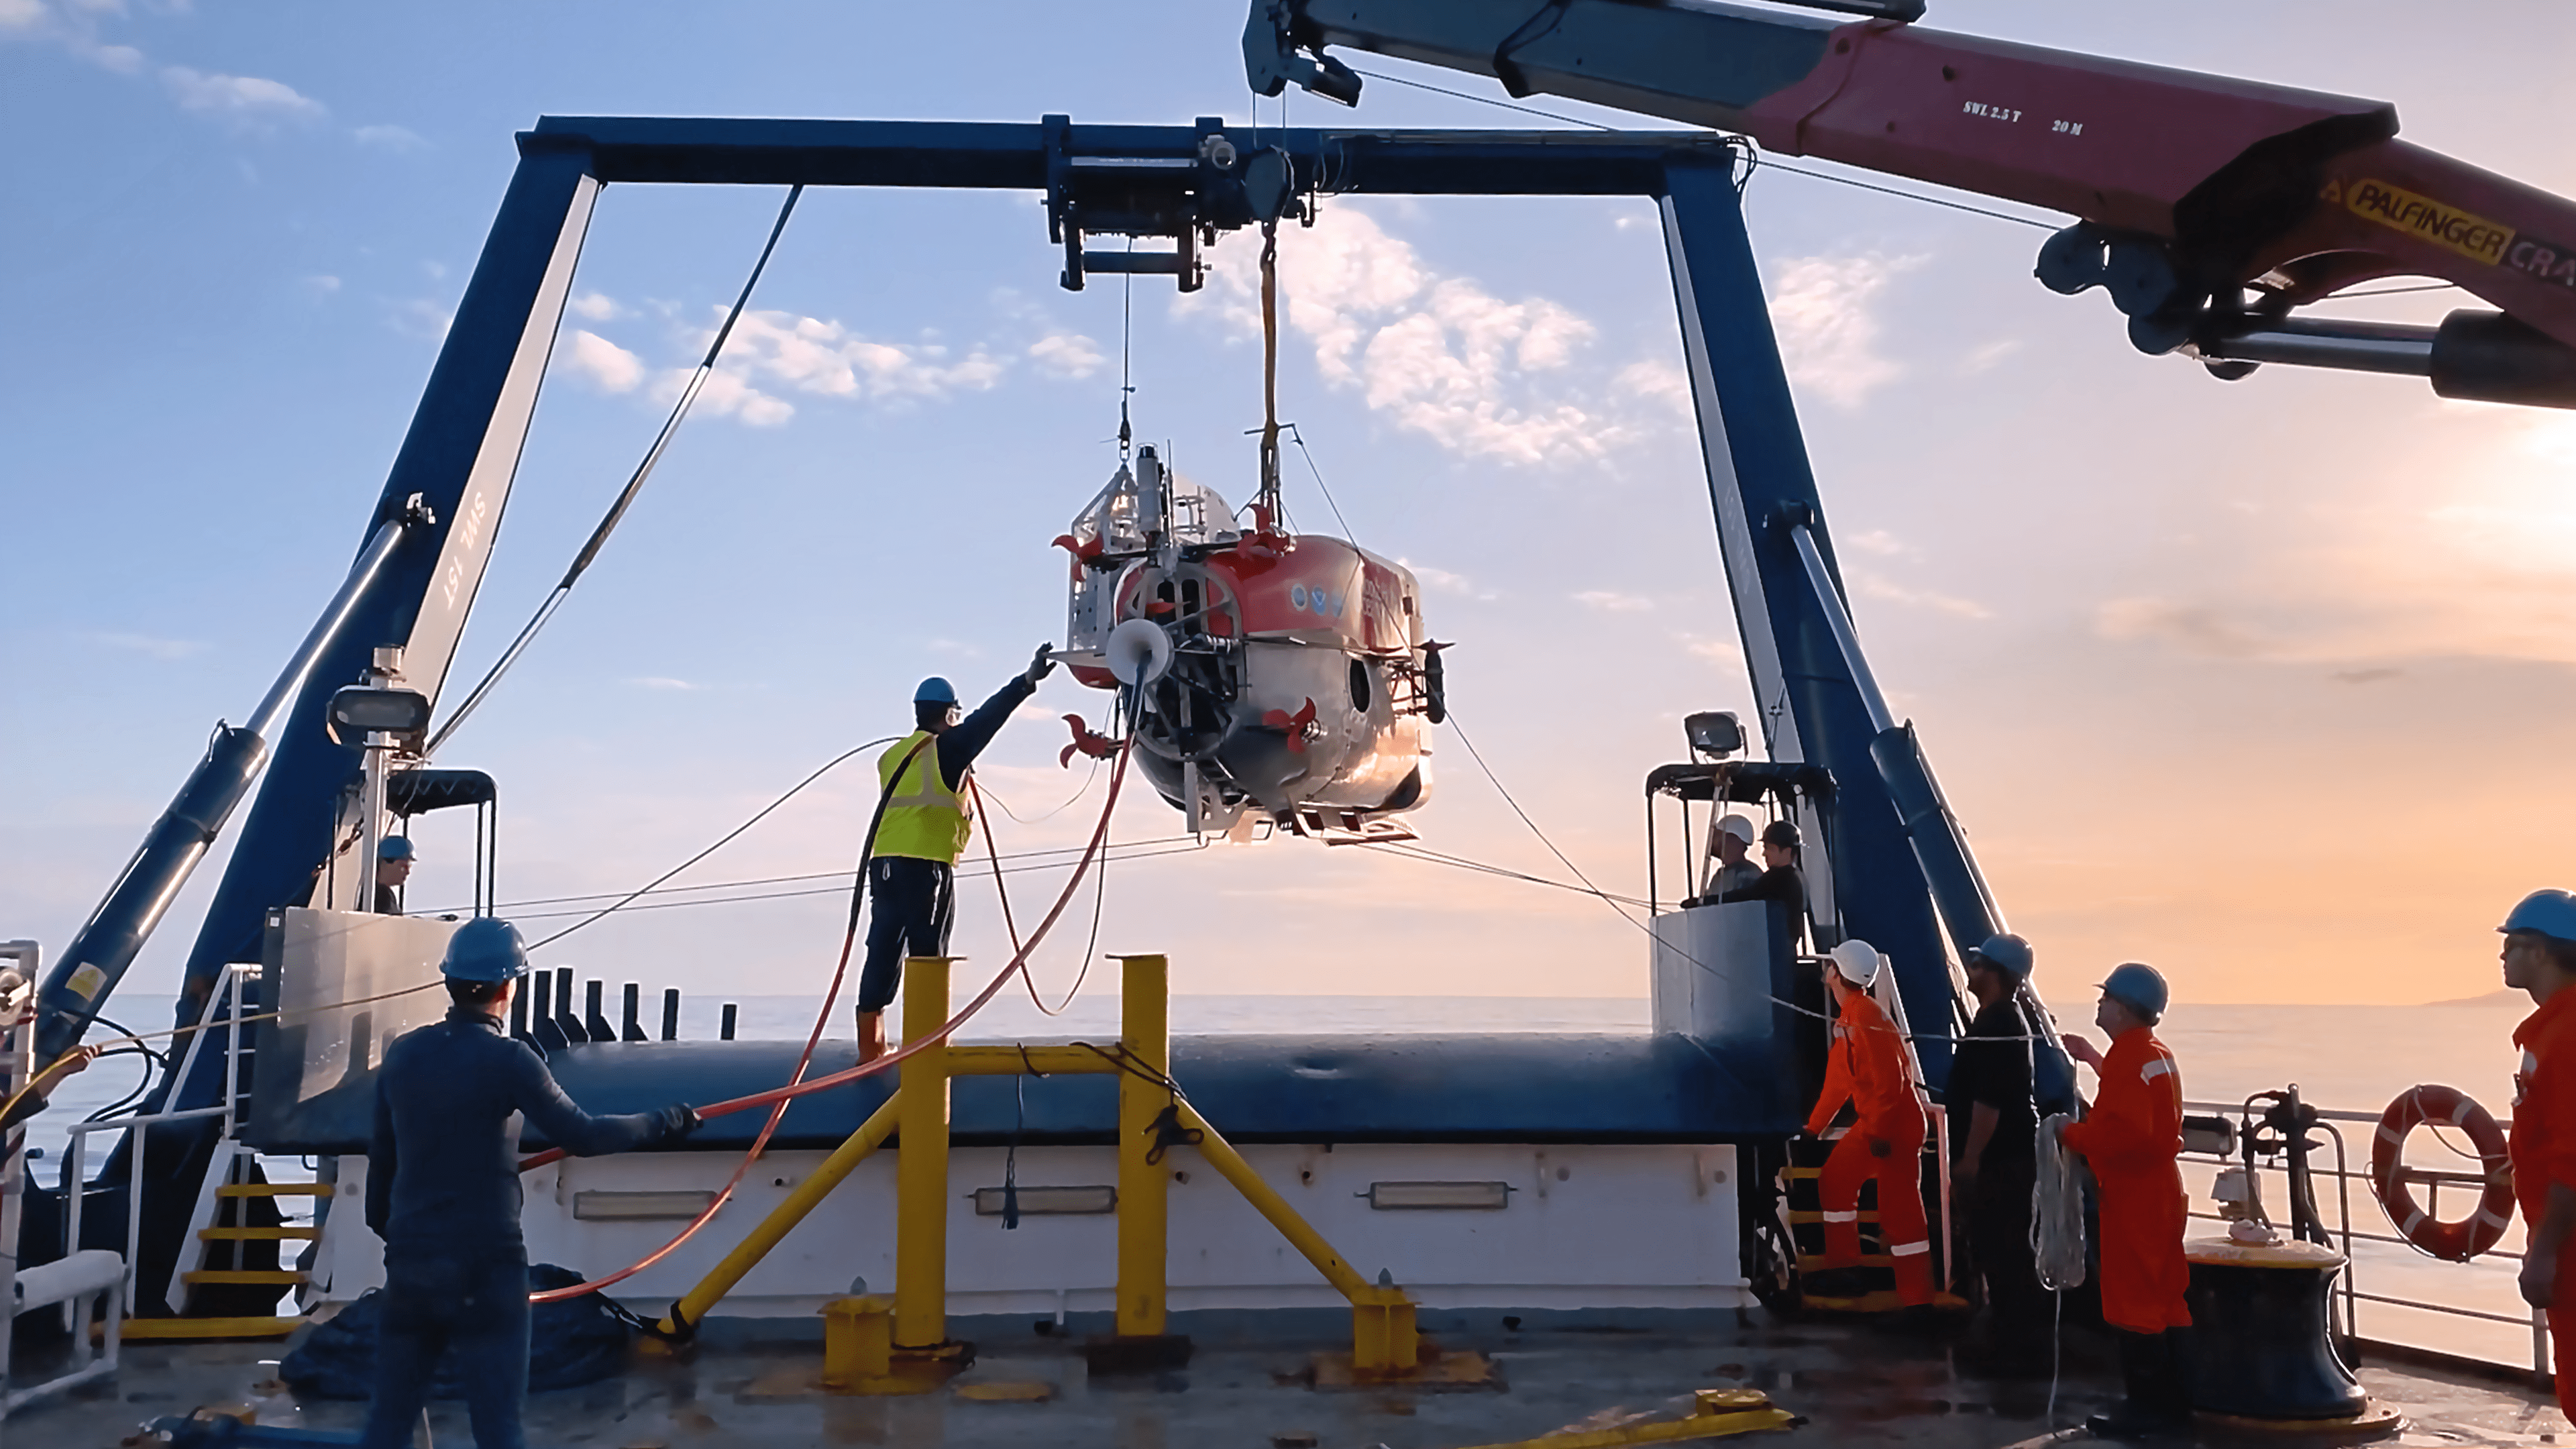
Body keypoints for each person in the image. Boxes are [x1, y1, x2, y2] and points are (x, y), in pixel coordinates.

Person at [361, 918, 698, 1449]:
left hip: (410, 1268)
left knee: (387, 1426)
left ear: (449, 981)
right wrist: (665, 1122)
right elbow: (583, 1134)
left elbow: (380, 1175)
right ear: (509, 987)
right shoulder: (511, 1059)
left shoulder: (402, 1055)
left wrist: (406, 1246)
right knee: (498, 1431)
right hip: (485, 1271)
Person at [857, 647, 1057, 1062]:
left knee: (882, 950)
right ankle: (926, 1051)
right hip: (927, 866)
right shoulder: (945, 750)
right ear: (948, 715)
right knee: (928, 955)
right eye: (956, 716)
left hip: (884, 867)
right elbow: (989, 718)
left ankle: (870, 1049)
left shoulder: (890, 756)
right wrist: (1028, 681)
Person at [2057, 961, 2191, 1439]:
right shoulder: (2150, 1052)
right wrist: (2093, 1057)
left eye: (2106, 998)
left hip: (2135, 1196)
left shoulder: (2130, 1058)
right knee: (2166, 1297)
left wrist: (2069, 1133)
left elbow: (2125, 1134)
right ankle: (2174, 1403)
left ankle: (2145, 1409)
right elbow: (2134, 1103)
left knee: (2134, 1303)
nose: (2100, 1004)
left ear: (2124, 1008)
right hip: (2161, 1192)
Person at [1805, 939, 1934, 1307]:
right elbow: (1840, 1082)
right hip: (1880, 1123)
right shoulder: (1852, 1017)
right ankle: (1845, 1269)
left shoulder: (1864, 1017)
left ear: (1835, 973)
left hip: (1892, 1127)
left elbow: (1890, 1082)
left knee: (1901, 1212)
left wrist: (1878, 1135)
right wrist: (1813, 1128)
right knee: (1835, 1181)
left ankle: (1918, 1302)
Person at [1945, 932, 2048, 1364]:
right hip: (2007, 1158)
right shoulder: (1998, 1018)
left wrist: (1969, 1159)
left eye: (1978, 965)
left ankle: (2015, 1353)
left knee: (2004, 1252)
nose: (1972, 972)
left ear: (1995, 974)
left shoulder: (1998, 1023)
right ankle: (2009, 1343)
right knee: (2000, 1252)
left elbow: (1989, 1103)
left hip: (2001, 1162)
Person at [2501, 890, 2576, 1424]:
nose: (2504, 958)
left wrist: (2546, 1251)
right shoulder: (2550, 1031)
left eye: (2512, 946)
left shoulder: (2566, 1038)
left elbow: (2573, 1157)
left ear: (2542, 951)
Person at [1693, 814, 1762, 903]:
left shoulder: (1749, 874)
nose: (1712, 839)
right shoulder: (1720, 874)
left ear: (1732, 839)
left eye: (1717, 835)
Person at [374, 836, 414, 916]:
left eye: (409, 866)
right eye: (403, 866)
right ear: (386, 863)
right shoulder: (383, 896)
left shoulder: (385, 894)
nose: (408, 872)